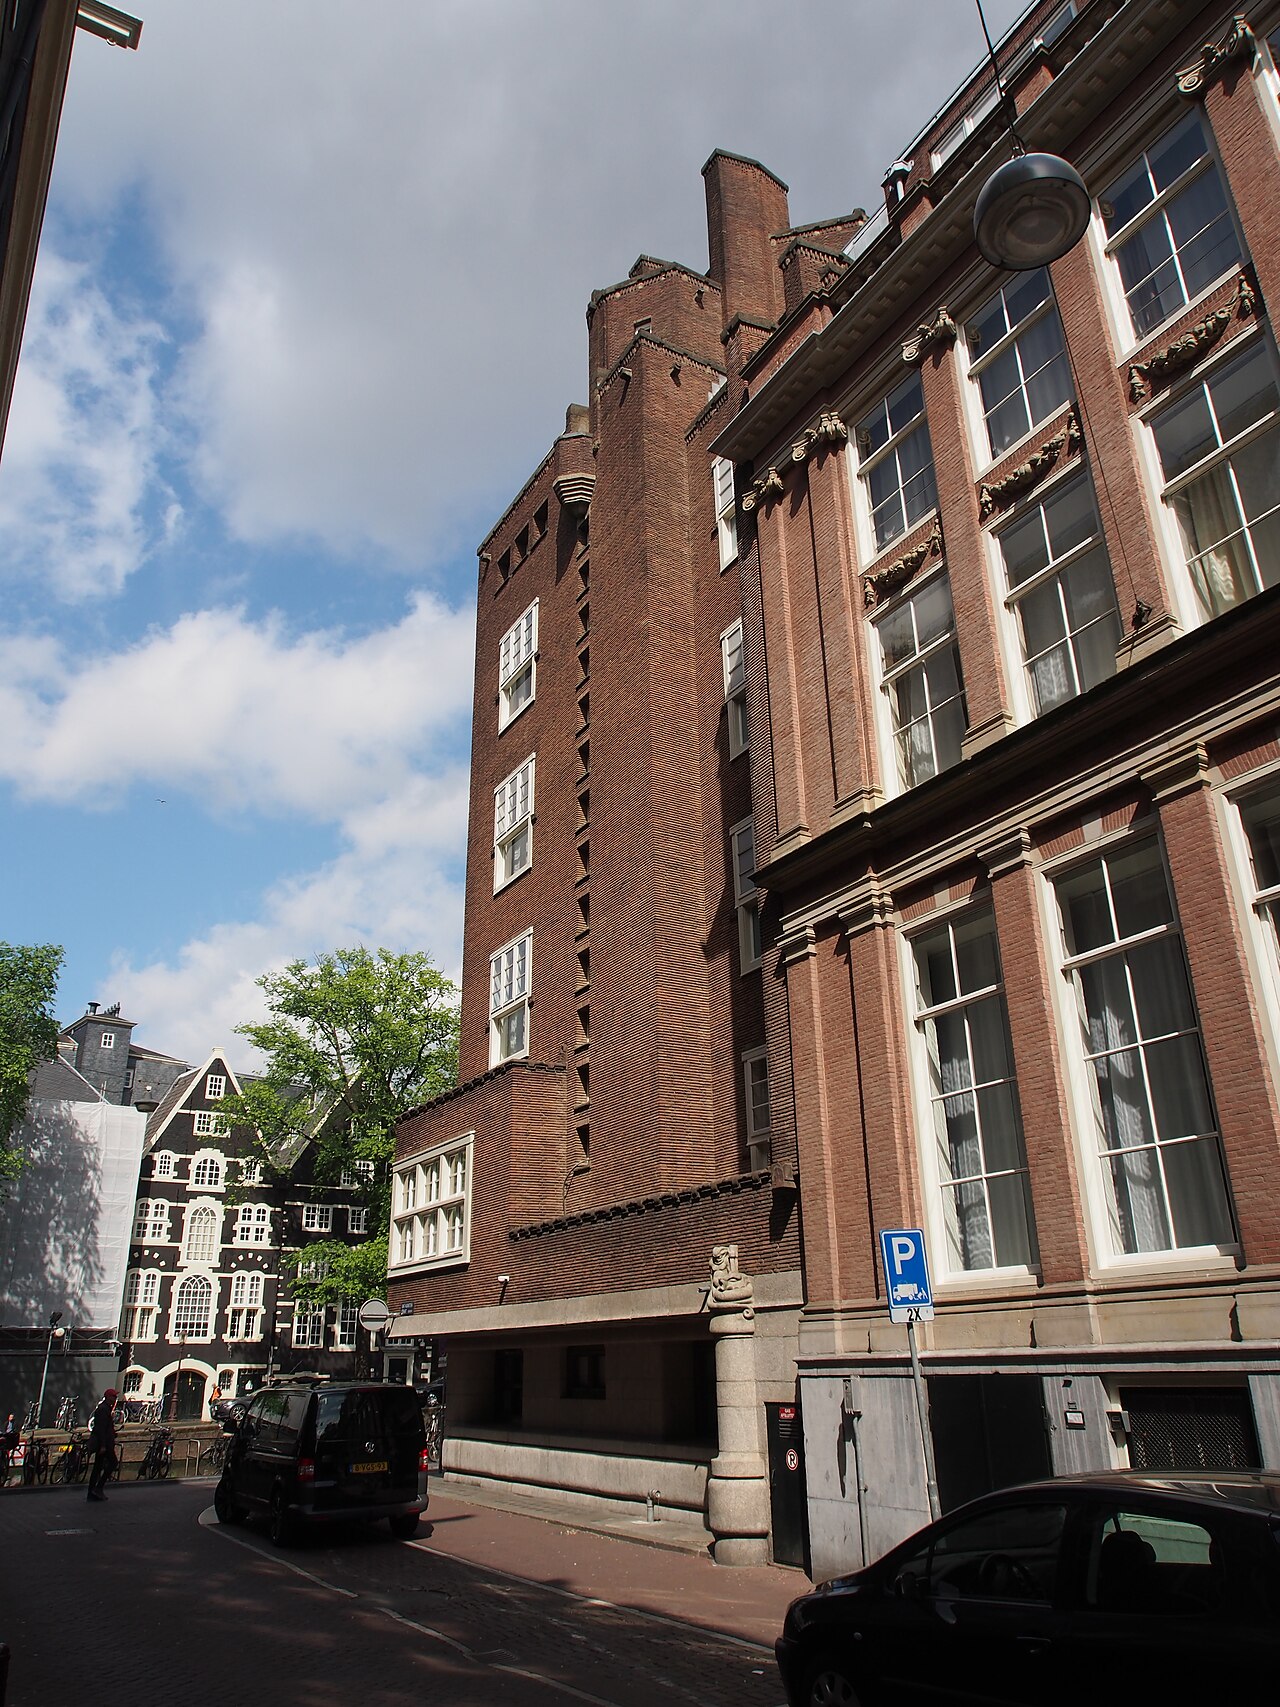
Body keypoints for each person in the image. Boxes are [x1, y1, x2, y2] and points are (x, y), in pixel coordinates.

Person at [86, 1387, 119, 1501]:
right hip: (104, 1444)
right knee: (113, 1463)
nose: (115, 1399)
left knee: (98, 1467)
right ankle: (97, 1488)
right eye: (113, 1397)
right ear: (108, 1397)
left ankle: (92, 1492)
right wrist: (104, 1445)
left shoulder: (106, 1409)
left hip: (105, 1443)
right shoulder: (103, 1410)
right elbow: (101, 1428)